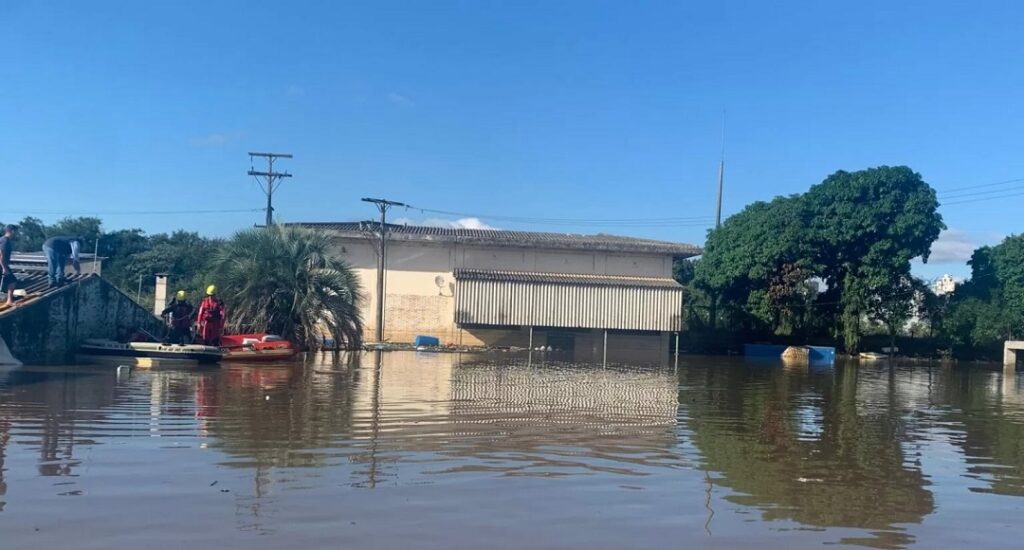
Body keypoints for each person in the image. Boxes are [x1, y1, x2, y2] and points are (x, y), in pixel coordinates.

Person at [0, 225, 18, 307]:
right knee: (12, 281)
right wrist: (4, 268)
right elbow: (1, 255)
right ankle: (9, 301)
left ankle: (9, 300)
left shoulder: (2, 239)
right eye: (16, 232)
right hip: (2, 264)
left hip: (2, 264)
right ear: (12, 231)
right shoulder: (5, 241)